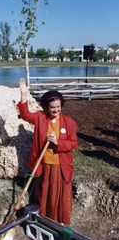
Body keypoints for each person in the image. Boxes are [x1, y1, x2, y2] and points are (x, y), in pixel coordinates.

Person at [17, 78, 78, 225]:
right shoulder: (40, 118)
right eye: (52, 107)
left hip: (60, 167)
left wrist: (58, 142)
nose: (56, 110)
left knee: (59, 196)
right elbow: (25, 115)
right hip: (44, 165)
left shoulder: (69, 122)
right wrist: (24, 94)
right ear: (46, 108)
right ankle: (45, 218)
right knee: (45, 193)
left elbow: (73, 143)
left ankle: (59, 221)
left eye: (58, 106)